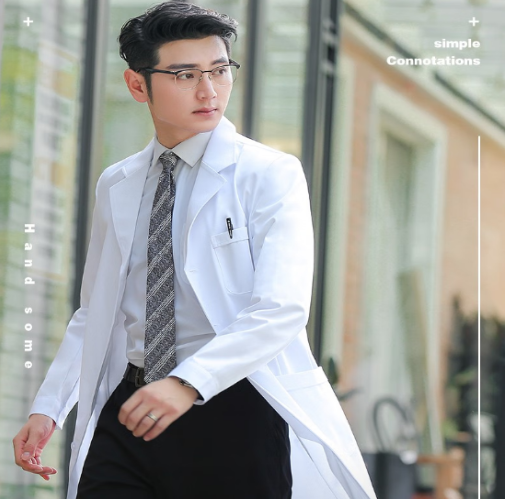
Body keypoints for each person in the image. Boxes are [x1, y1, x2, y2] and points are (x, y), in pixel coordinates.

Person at [13, 2, 376, 498]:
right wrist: (50, 406)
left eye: (219, 71)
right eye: (185, 75)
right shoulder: (117, 183)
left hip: (234, 408)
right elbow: (96, 311)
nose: (209, 91)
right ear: (138, 85)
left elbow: (281, 307)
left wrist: (188, 382)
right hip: (132, 409)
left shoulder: (269, 174)